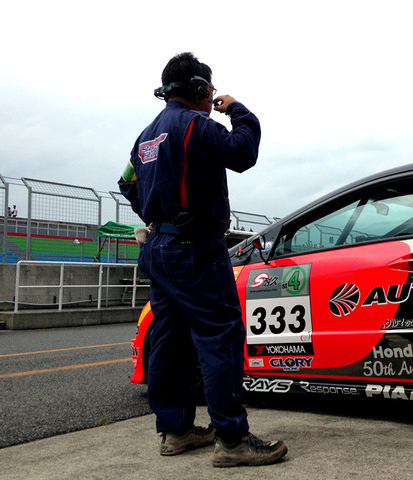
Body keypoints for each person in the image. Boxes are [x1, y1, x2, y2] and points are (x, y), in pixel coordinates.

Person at [118, 52, 287, 467]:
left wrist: (158, 216)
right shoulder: (196, 125)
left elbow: (126, 183)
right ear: (197, 89)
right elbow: (242, 152)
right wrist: (239, 111)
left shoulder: (145, 137)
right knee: (220, 336)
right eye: (209, 90)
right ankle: (232, 440)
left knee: (170, 341)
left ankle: (175, 431)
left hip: (158, 249)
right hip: (195, 249)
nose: (212, 97)